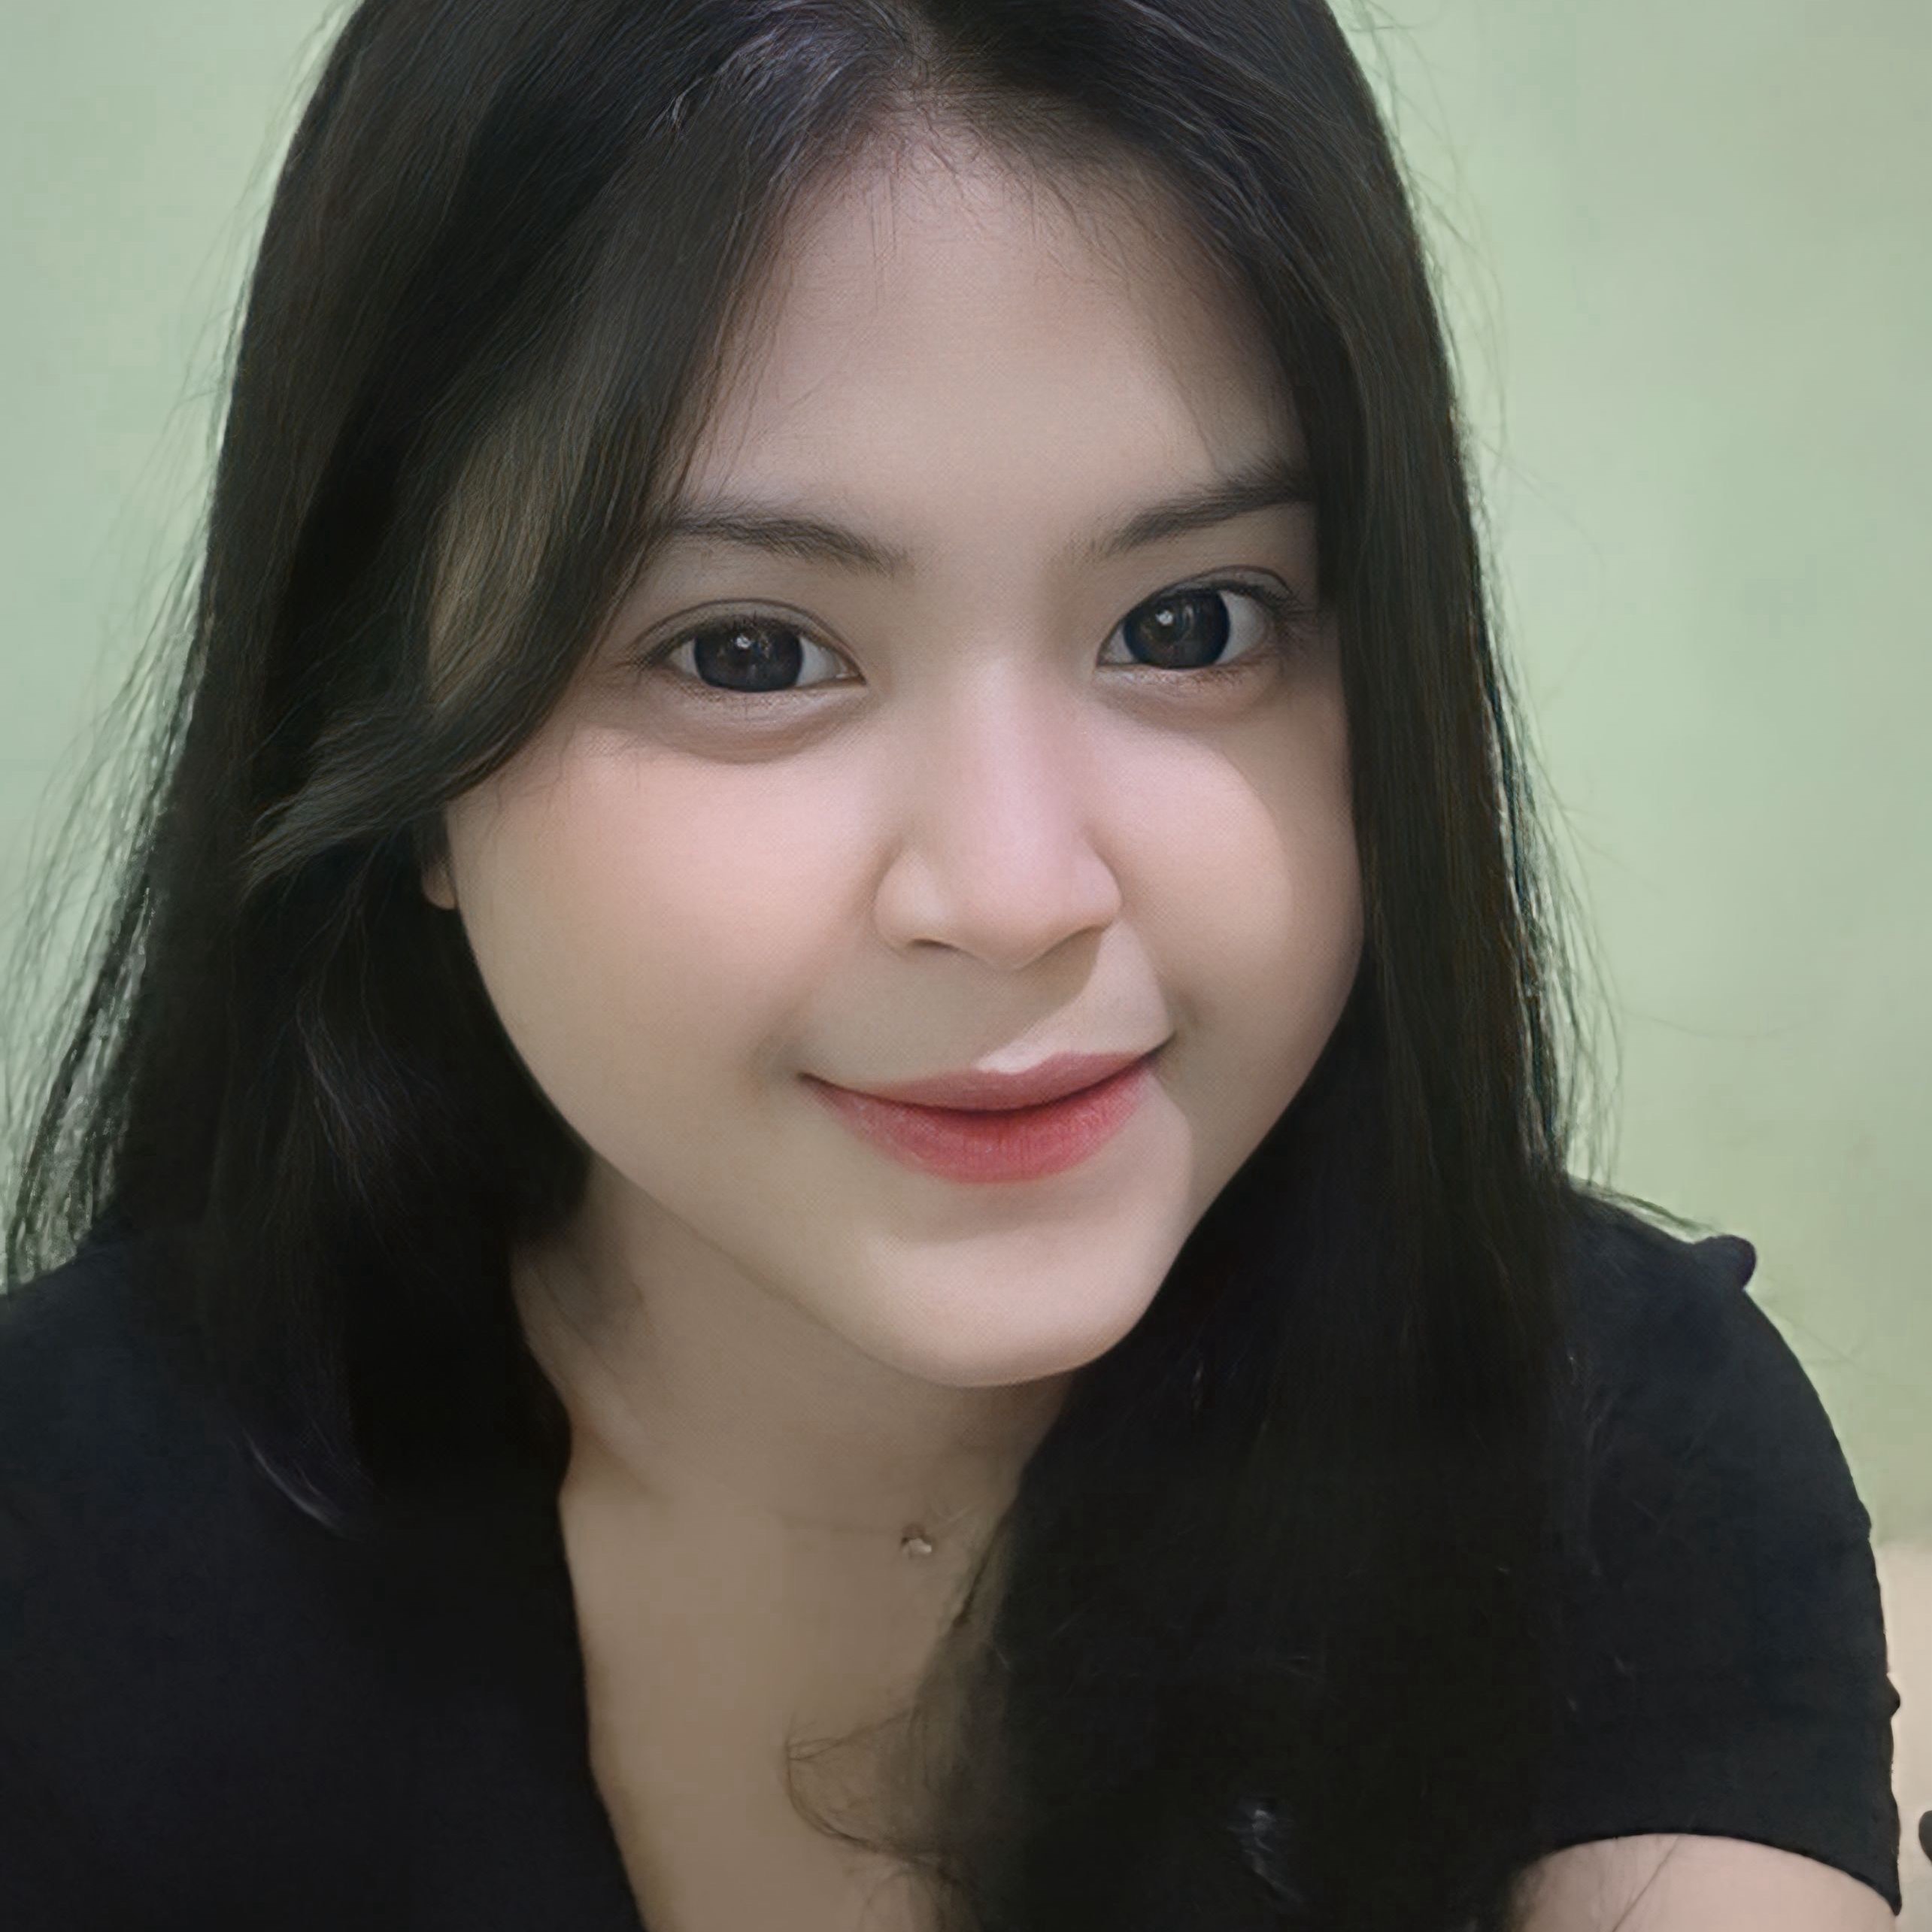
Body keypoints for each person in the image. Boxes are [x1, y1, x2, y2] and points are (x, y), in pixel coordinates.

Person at [0, 2, 1900, 1928]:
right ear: (390, 749)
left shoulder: (1604, 1449)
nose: (1011, 893)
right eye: (746, 651)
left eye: (1190, 622)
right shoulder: (74, 1537)